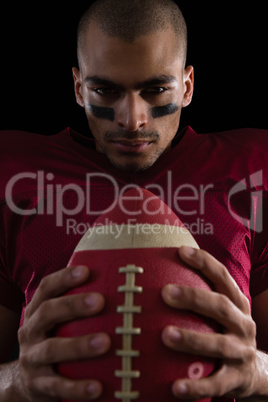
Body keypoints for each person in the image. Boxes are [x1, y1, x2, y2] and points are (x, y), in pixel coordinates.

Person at [0, 0, 267, 401]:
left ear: (187, 86)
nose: (132, 118)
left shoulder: (251, 169)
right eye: (105, 90)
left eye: (156, 89)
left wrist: (258, 372)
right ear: (78, 88)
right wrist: (16, 380)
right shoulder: (15, 174)